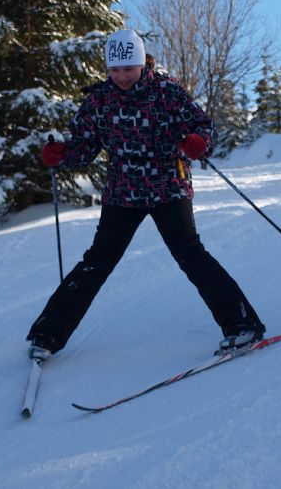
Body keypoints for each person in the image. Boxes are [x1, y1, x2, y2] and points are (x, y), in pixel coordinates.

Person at [26, 29, 265, 360]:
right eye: (115, 69)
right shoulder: (98, 100)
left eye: (129, 68)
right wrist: (62, 153)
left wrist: (199, 142)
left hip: (168, 184)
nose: (122, 76)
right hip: (123, 190)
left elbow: (205, 127)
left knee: (190, 254)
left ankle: (242, 325)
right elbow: (85, 146)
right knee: (98, 260)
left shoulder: (166, 92)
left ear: (142, 63)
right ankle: (47, 335)